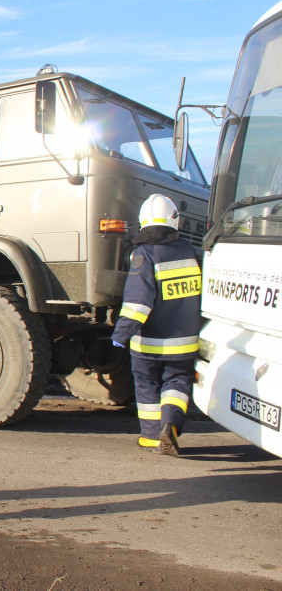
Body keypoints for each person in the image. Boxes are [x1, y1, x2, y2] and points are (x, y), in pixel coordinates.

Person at [112, 193, 202, 456]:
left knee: (147, 384)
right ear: (175, 219)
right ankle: (170, 425)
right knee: (178, 381)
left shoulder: (144, 253)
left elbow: (140, 301)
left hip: (149, 342)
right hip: (185, 340)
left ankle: (152, 438)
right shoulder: (189, 251)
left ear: (143, 221)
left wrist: (122, 331)